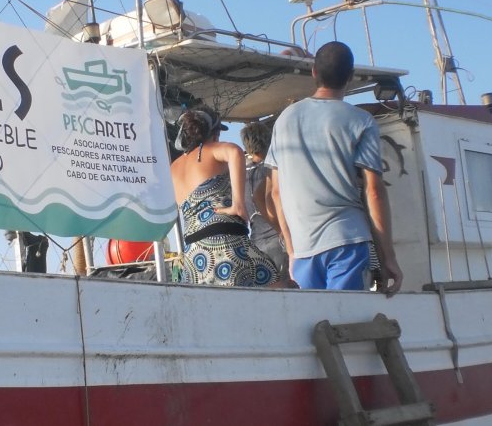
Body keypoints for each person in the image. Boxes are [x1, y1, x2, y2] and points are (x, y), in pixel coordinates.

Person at [266, 41, 402, 293]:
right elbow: (374, 192)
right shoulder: (362, 121)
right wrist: (388, 257)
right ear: (350, 77)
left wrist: (292, 250)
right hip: (347, 242)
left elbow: (275, 193)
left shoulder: (285, 119)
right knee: (345, 315)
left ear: (314, 72)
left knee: (315, 316)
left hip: (304, 248)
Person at [170, 107, 279, 287]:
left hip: (194, 250)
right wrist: (238, 204)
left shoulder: (174, 166)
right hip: (224, 238)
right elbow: (235, 151)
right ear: (214, 132)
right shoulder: (210, 150)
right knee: (273, 284)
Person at [239, 120, 292, 282]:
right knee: (289, 287)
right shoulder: (272, 169)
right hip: (277, 238)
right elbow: (265, 198)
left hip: (255, 242)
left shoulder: (241, 174)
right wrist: (282, 231)